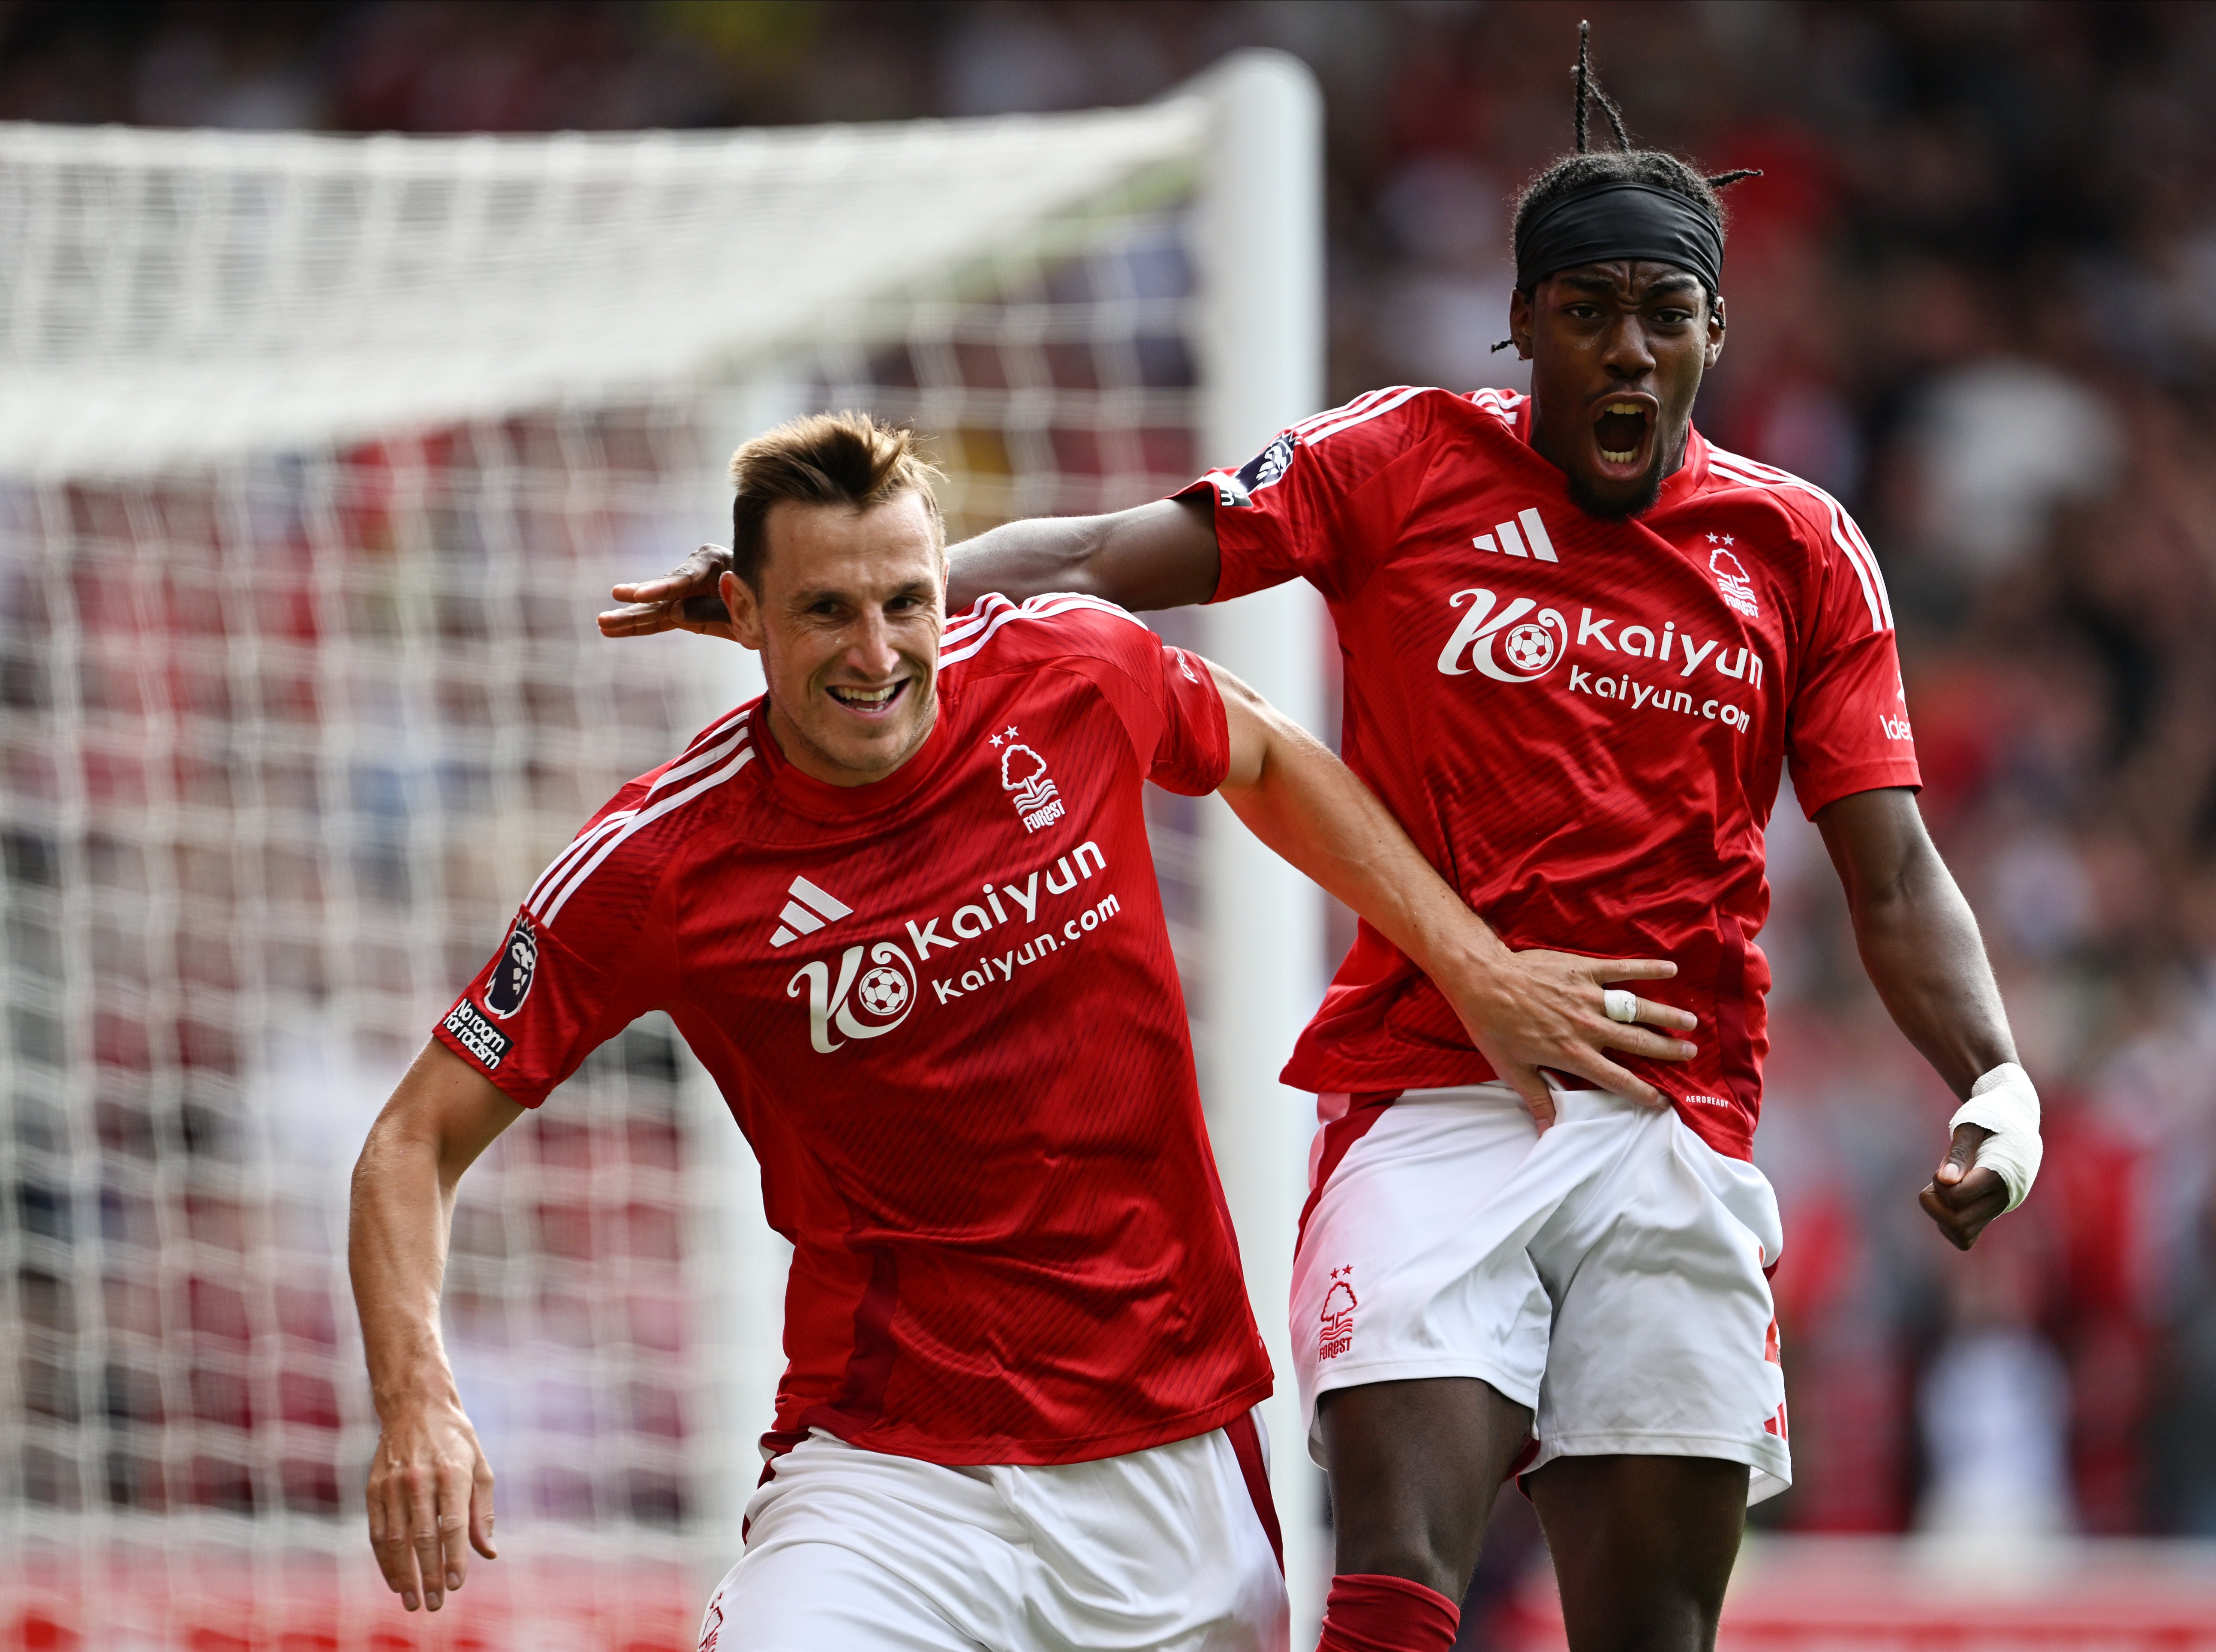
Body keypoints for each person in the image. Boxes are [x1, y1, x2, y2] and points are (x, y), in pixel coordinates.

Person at [604, 33, 2046, 1652]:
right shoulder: (1400, 457)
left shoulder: (1798, 551)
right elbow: (1093, 550)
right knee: (1391, 1584)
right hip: (1432, 1099)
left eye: (1664, 315)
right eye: (1586, 315)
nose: (1626, 353)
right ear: (1523, 330)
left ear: (1717, 327)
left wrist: (1992, 1073)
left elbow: (1896, 868)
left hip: (1670, 1116)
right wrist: (867, 612)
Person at [352, 412, 1688, 1650]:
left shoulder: (1070, 669)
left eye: (905, 603)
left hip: (1170, 1465)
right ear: (743, 616)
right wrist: (419, 1396)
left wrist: (1470, 970)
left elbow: (1266, 752)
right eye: (824, 612)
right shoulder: (661, 864)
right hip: (886, 1481)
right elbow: (411, 1141)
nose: (876, 655)